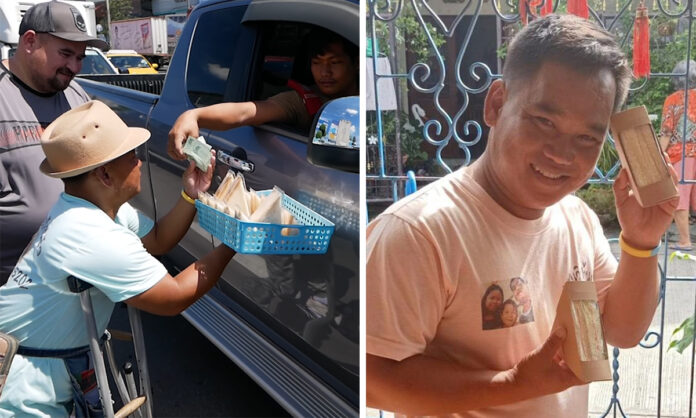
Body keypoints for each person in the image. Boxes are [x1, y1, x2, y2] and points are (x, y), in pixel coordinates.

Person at [366, 14, 678, 417]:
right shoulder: (419, 232)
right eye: (543, 121)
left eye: (587, 138)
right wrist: (513, 385)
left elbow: (621, 331)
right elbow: (372, 381)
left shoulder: (575, 217)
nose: (562, 154)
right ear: (497, 103)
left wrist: (641, 241)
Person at [0, 100, 236, 417]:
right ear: (105, 175)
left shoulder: (88, 207)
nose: (139, 163)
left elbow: (158, 240)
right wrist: (236, 240)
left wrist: (191, 193)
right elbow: (173, 297)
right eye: (131, 156)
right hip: (20, 393)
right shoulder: (89, 234)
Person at [0, 1, 109, 285]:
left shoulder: (77, 97)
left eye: (80, 57)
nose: (74, 66)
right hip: (9, 284)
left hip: (72, 273)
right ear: (30, 41)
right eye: (65, 53)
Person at [166, 27, 358, 160]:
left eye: (335, 62)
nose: (325, 72)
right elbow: (247, 112)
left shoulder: (364, 99)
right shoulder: (301, 101)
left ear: (356, 63)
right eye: (317, 63)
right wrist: (193, 115)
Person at [660, 59, 696, 251]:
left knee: (679, 196)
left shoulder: (673, 99)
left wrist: (658, 153)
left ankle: (685, 241)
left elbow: (666, 131)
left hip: (681, 155)